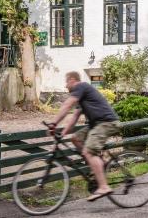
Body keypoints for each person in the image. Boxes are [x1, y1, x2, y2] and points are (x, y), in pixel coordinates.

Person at [48, 71, 120, 201]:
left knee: (88, 152)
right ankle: (98, 165)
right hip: (97, 124)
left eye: (66, 82)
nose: (65, 86)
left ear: (72, 80)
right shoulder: (82, 96)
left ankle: (104, 187)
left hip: (106, 123)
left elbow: (66, 105)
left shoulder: (81, 86)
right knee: (75, 138)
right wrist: (62, 134)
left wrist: (54, 123)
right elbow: (74, 117)